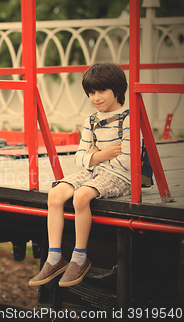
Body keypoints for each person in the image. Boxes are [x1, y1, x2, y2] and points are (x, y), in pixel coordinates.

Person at [29, 62, 131, 287]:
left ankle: (80, 257)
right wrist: (100, 155)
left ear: (117, 89)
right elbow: (79, 158)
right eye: (91, 93)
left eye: (102, 91)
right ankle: (54, 257)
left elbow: (127, 161)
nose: (96, 97)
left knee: (81, 196)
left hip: (121, 177)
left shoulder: (129, 119)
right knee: (55, 195)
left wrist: (94, 155)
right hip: (94, 169)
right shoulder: (91, 120)